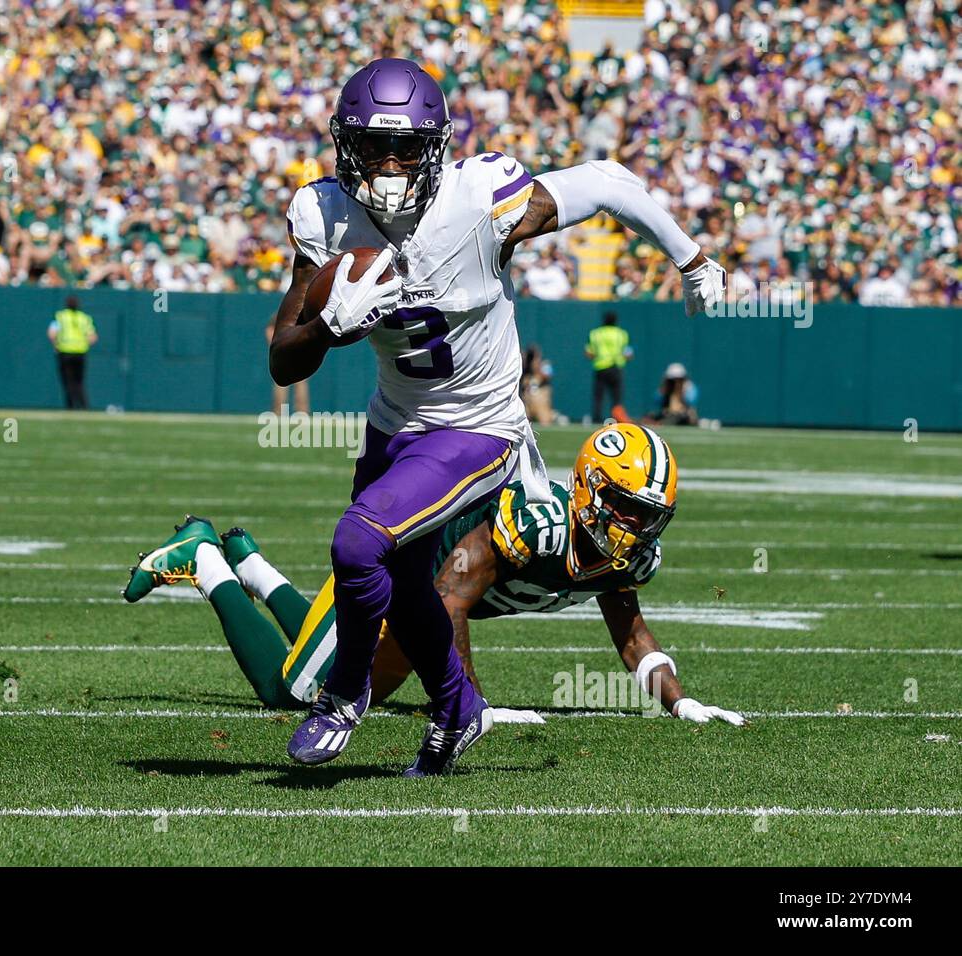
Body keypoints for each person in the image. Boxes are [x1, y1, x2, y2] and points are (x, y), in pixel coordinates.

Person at [264, 58, 725, 776]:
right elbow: (284, 360)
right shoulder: (324, 214)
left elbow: (606, 180)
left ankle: (343, 696)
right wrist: (327, 326)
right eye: (374, 145)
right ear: (344, 143)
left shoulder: (481, 199)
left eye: (408, 147)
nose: (390, 164)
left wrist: (692, 260)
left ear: (437, 147)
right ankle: (457, 710)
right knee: (407, 584)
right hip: (395, 423)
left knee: (358, 545)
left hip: (479, 425)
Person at [123, 425, 743, 737]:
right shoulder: (539, 522)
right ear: (588, 489)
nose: (635, 528)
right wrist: (472, 704)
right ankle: (206, 561)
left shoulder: (623, 555)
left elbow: (630, 631)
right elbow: (450, 598)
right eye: (626, 508)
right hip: (396, 567)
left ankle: (252, 565)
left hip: (418, 601)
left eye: (648, 515)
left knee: (350, 681)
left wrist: (678, 700)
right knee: (294, 695)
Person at [48, 296, 96, 410]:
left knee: (68, 381)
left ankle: (71, 406)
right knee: (79, 381)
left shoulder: (61, 317)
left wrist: (56, 345)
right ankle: (83, 405)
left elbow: (52, 333)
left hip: (65, 352)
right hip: (80, 353)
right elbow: (93, 337)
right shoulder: (84, 318)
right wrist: (82, 344)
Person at [586, 311, 632, 423]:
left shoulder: (595, 334)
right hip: (616, 367)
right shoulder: (621, 334)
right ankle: (617, 418)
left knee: (598, 396)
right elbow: (628, 353)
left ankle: (596, 418)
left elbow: (589, 353)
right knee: (616, 396)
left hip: (600, 367)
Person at [265, 317, 310, 415]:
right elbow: (269, 330)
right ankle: (282, 412)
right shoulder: (296, 313)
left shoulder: (289, 313)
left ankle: (299, 411)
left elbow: (269, 330)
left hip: (291, 350)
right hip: (292, 349)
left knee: (293, 382)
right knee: (286, 382)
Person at [521, 345, 555, 425]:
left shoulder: (544, 366)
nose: (535, 360)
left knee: (545, 422)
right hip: (527, 403)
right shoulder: (525, 372)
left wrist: (537, 368)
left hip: (540, 402)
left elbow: (547, 374)